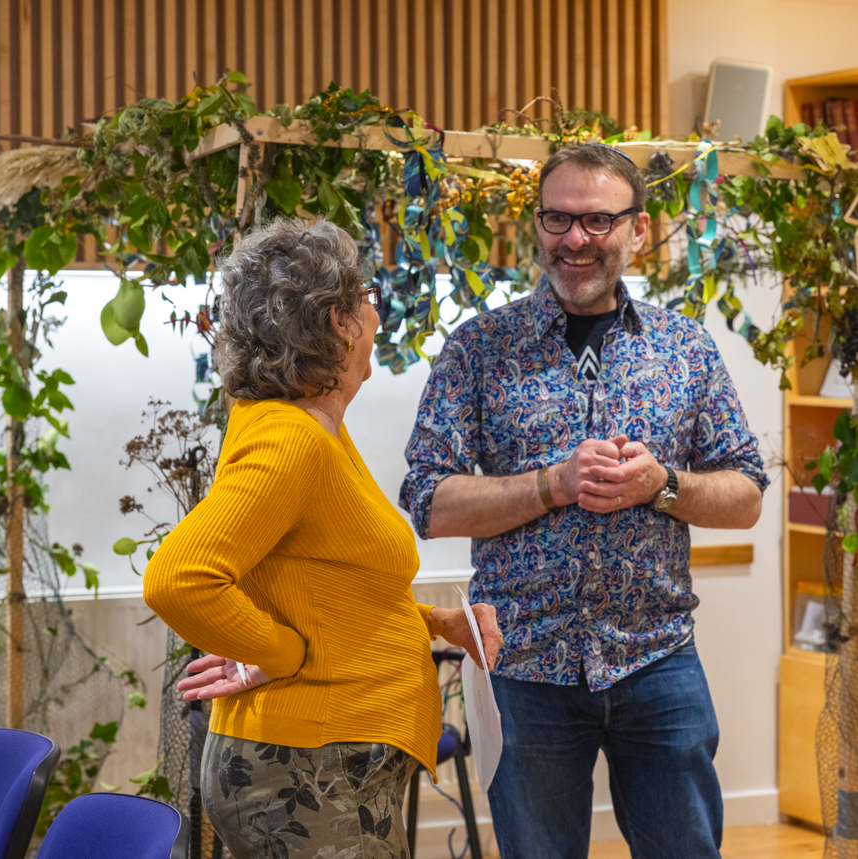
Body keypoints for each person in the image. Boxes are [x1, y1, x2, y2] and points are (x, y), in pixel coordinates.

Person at [399, 143, 769, 859]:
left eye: (598, 220)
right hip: (523, 666)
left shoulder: (686, 349)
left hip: (658, 658)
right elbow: (428, 500)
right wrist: (553, 484)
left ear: (639, 229)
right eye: (558, 219)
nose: (575, 239)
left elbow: (746, 493)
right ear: (536, 224)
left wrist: (662, 485)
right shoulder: (479, 349)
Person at [143, 217, 502, 859]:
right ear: (340, 321)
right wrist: (278, 653)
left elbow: (325, 584)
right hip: (310, 770)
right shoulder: (291, 440)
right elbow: (177, 578)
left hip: (324, 762)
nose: (376, 314)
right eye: (367, 297)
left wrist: (433, 623)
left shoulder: (314, 430)